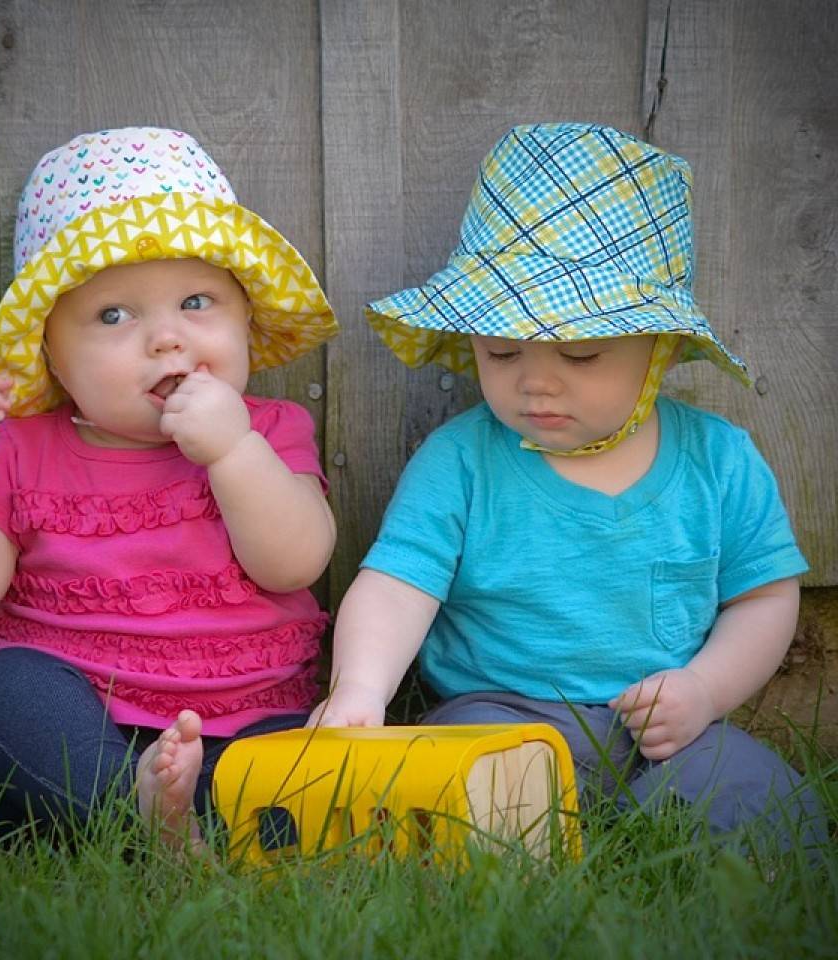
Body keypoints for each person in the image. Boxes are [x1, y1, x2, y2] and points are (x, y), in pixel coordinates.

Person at [309, 122, 825, 853]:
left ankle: (668, 837)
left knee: (759, 803)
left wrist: (706, 689)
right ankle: (521, 848)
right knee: (460, 788)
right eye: (502, 349)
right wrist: (359, 691)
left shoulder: (719, 461)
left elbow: (764, 597)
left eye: (582, 352)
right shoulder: (461, 461)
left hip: (666, 727)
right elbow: (397, 586)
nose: (537, 379)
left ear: (661, 348)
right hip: (500, 713)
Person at [0, 126, 339, 845]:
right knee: (0, 693)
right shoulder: (22, 447)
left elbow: (293, 563)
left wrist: (233, 451)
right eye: (114, 315)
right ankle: (128, 809)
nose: (167, 338)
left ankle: (179, 827)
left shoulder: (268, 429)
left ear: (245, 317)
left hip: (248, 722)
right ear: (51, 352)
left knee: (315, 762)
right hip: (78, 723)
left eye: (197, 302)